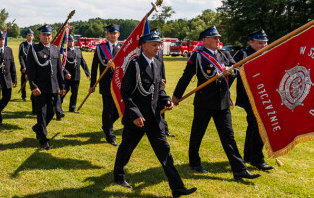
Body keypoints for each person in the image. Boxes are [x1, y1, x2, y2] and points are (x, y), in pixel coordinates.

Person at [113, 32, 197, 198]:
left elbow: (158, 89)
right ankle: (118, 176)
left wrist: (166, 100)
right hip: (137, 119)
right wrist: (135, 114)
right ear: (144, 46)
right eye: (154, 44)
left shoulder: (157, 63)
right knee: (126, 149)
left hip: (154, 118)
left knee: (165, 153)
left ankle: (178, 188)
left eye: (159, 44)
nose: (158, 47)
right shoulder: (135, 64)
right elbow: (126, 92)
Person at [172, 26, 261, 180]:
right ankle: (194, 162)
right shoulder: (198, 56)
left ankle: (239, 169)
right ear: (204, 40)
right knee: (197, 134)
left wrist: (231, 71)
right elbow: (186, 76)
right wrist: (176, 96)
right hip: (204, 102)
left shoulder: (224, 54)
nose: (218, 40)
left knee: (229, 137)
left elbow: (237, 70)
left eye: (219, 38)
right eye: (214, 38)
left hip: (223, 103)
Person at [234, 29, 274, 171]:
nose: (263, 45)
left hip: (262, 96)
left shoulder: (266, 53)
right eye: (260, 43)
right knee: (260, 125)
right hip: (248, 96)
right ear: (251, 42)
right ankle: (258, 159)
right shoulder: (242, 54)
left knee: (253, 125)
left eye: (265, 42)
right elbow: (232, 72)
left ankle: (249, 156)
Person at [26, 25, 66, 150]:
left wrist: (63, 85)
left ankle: (38, 128)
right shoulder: (34, 49)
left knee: (52, 111)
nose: (47, 37)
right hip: (40, 88)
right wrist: (33, 86)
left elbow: (59, 69)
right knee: (42, 114)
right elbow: (30, 71)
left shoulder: (55, 49)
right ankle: (43, 139)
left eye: (48, 35)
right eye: (44, 35)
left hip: (53, 87)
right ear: (39, 36)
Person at [90, 24, 121, 146]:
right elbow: (94, 67)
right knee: (108, 110)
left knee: (119, 110)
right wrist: (92, 84)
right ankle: (110, 135)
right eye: (110, 33)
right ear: (107, 34)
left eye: (115, 33)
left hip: (119, 84)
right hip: (106, 84)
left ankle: (106, 125)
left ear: (118, 34)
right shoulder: (100, 48)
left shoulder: (122, 48)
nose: (113, 35)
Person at [60, 35, 90, 115]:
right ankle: (58, 107)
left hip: (76, 76)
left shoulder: (78, 51)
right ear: (67, 42)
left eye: (72, 41)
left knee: (75, 93)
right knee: (63, 92)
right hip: (67, 77)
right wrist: (66, 73)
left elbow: (83, 63)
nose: (71, 42)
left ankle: (72, 108)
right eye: (69, 41)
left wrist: (88, 74)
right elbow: (61, 64)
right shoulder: (64, 52)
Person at [18, 29, 34, 103]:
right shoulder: (23, 45)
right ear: (26, 36)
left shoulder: (35, 45)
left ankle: (33, 95)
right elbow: (21, 56)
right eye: (28, 35)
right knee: (23, 82)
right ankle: (23, 96)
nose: (30, 37)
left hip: (33, 67)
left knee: (33, 82)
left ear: (33, 36)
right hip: (25, 67)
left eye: (31, 35)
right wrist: (23, 66)